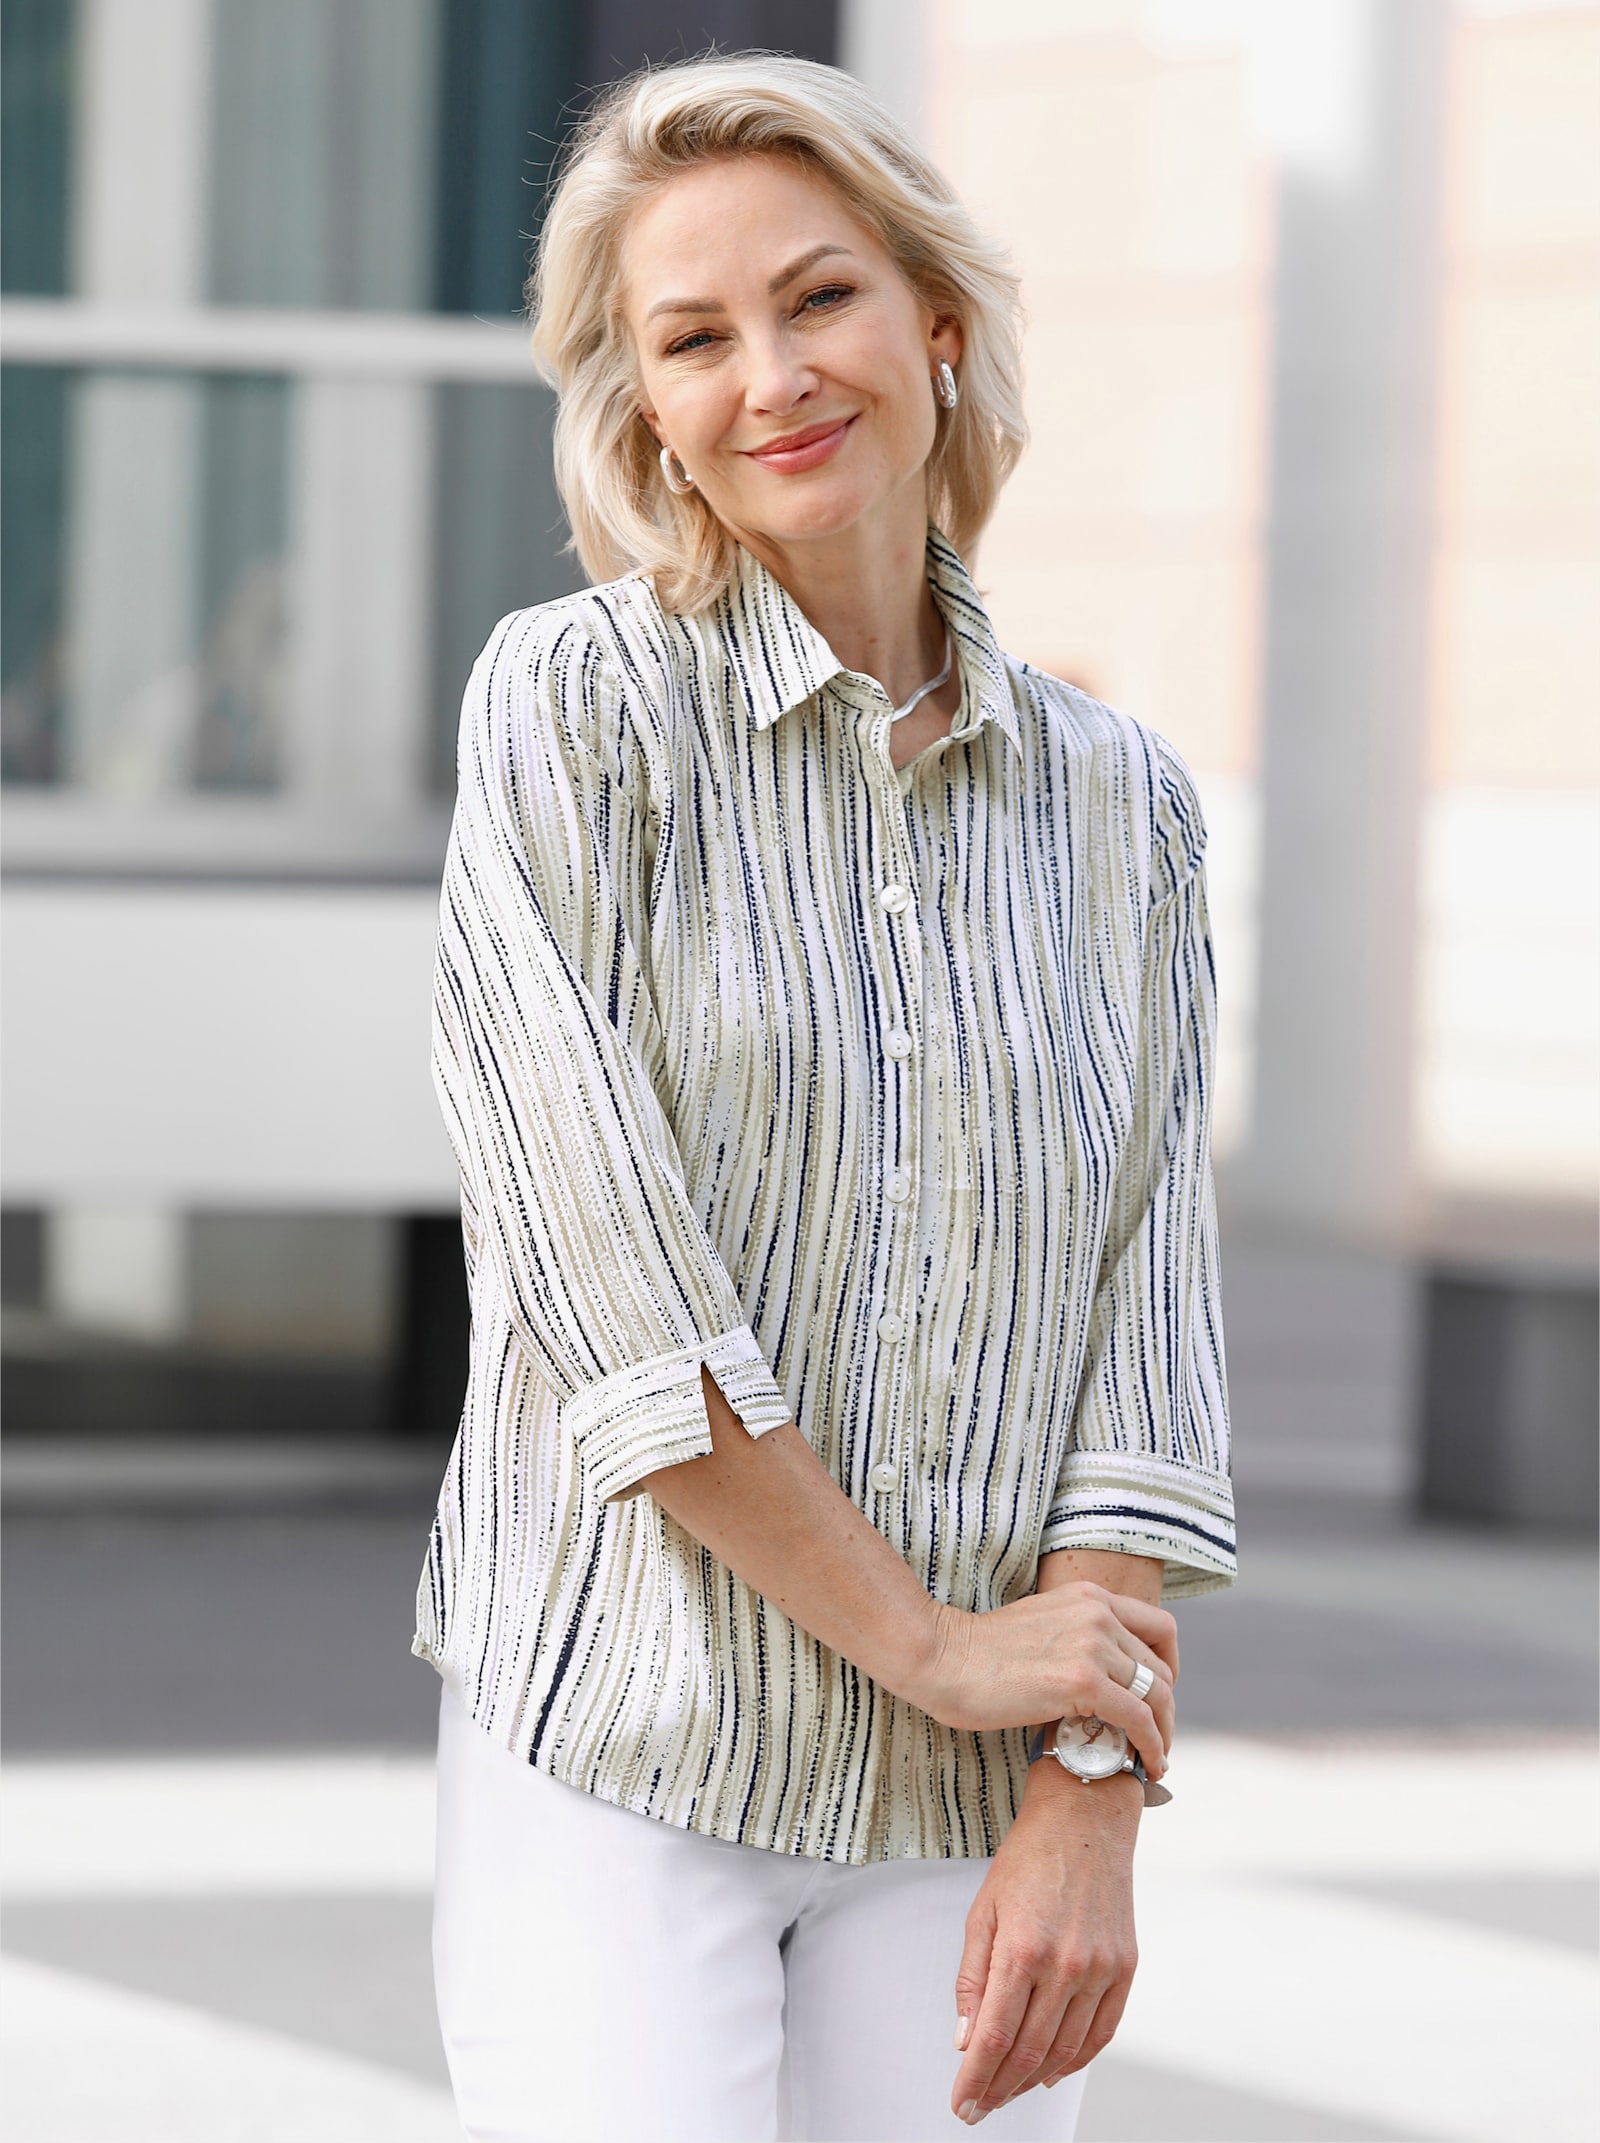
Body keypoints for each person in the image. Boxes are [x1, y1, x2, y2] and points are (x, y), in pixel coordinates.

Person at [412, 49, 1236, 2143]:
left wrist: (1086, 1789)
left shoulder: (1115, 806)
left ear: (933, 323)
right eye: (694, 337)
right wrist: (943, 1651)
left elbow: (1144, 1331)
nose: (770, 373)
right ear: (648, 409)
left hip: (973, 1804)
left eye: (818, 298)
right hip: (630, 1749)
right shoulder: (568, 715)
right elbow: (614, 1302)